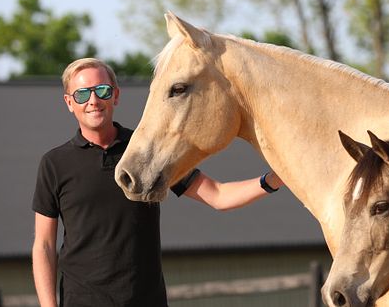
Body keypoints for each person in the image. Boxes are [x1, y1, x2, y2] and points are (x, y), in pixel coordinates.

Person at [31, 58, 283, 307]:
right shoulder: (55, 163)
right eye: (82, 94)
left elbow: (218, 195)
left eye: (102, 90)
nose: (93, 101)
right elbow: (44, 245)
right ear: (69, 102)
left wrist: (274, 179)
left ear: (116, 96)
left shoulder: (149, 152)